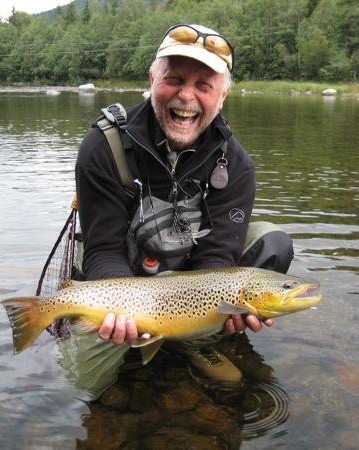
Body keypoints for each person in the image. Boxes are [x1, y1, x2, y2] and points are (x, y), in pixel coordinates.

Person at [75, 24, 293, 383]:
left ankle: (192, 338)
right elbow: (102, 250)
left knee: (273, 242)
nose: (186, 96)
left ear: (223, 95)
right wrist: (124, 316)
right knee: (85, 387)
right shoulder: (103, 147)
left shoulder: (236, 166)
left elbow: (218, 258)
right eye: (174, 78)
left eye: (204, 86)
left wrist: (222, 313)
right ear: (152, 79)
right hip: (124, 273)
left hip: (192, 284)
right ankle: (142, 336)